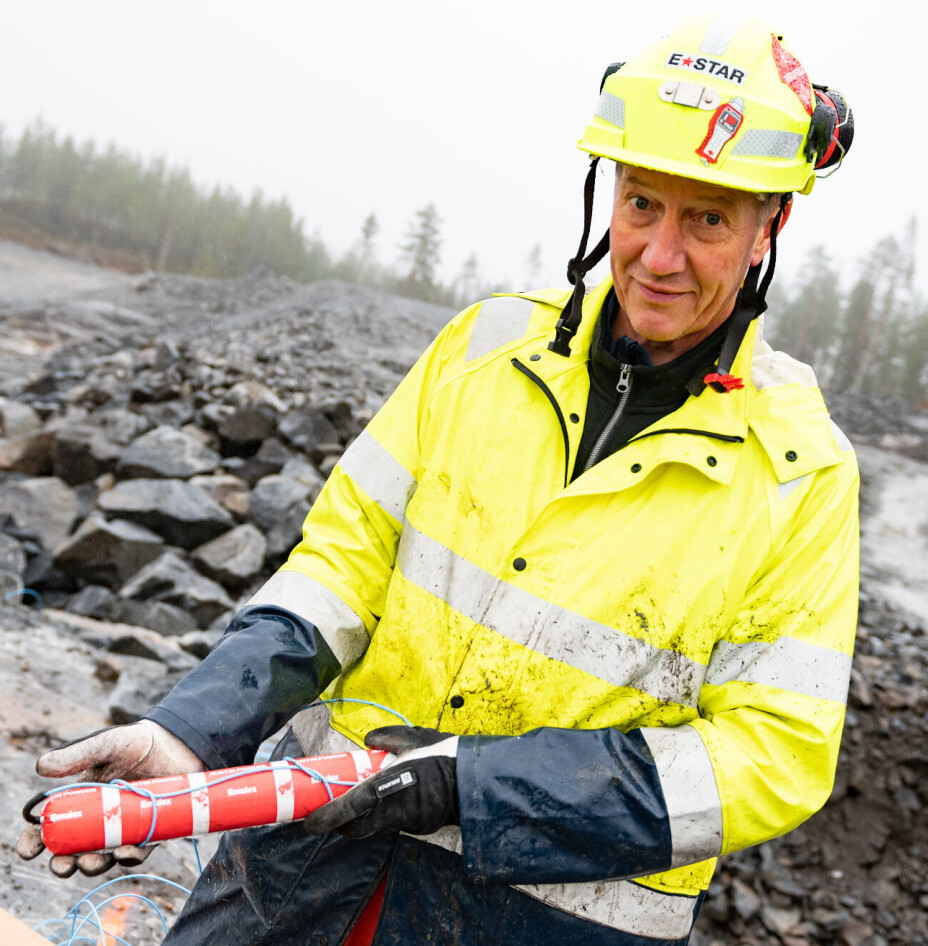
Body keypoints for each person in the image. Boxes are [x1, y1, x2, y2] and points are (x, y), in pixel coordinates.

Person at [18, 13, 858, 945]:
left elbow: (773, 755)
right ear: (607, 194)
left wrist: (479, 787)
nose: (661, 256)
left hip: (539, 922)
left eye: (707, 217)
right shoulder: (484, 350)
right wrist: (194, 729)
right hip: (303, 865)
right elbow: (341, 561)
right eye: (642, 204)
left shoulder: (800, 470)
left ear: (767, 226)